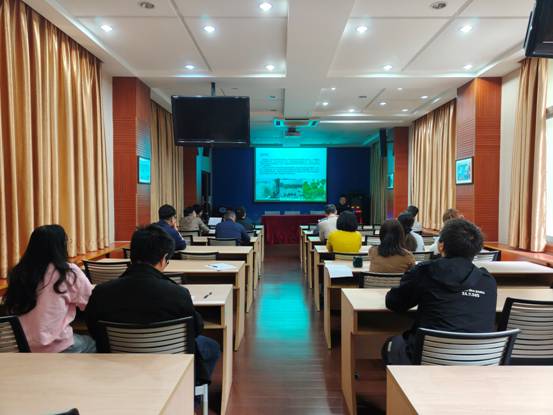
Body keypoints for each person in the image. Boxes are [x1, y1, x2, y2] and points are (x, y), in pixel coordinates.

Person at [85, 225, 220, 381]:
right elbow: (195, 329)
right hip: (168, 362)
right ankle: (190, 389)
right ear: (163, 259)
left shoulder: (101, 292)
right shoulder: (178, 294)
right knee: (212, 347)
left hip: (118, 365)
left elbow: (93, 329)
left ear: (132, 255)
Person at [382, 219, 497, 365]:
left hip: (428, 358)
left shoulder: (425, 271)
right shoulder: (488, 281)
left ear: (441, 245)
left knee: (392, 344)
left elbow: (394, 303)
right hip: (479, 361)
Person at [3, 225, 95, 353]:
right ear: (61, 246)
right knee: (93, 342)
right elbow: (90, 303)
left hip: (20, 346)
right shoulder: (68, 272)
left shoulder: (18, 272)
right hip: (55, 347)